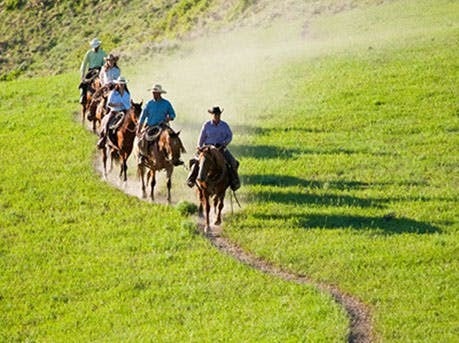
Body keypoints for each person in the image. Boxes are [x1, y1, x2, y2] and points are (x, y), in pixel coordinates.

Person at [186, 106, 240, 191]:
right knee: (195, 161)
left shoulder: (224, 125)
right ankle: (191, 179)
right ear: (212, 115)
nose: (216, 116)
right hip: (207, 148)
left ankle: (234, 181)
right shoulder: (206, 125)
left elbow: (229, 136)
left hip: (221, 148)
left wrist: (224, 143)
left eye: (218, 114)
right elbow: (202, 137)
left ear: (220, 115)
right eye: (215, 114)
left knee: (233, 162)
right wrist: (199, 146)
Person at [136, 84, 176, 159]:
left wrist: (169, 118)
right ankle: (143, 157)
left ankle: (175, 157)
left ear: (160, 93)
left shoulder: (166, 103)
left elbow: (173, 114)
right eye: (153, 92)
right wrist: (139, 130)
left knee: (174, 138)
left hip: (163, 126)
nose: (154, 94)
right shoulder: (148, 104)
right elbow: (142, 118)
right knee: (141, 141)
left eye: (155, 92)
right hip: (151, 126)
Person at [97, 76, 131, 149]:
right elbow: (109, 104)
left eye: (123, 84)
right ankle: (103, 138)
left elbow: (128, 104)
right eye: (120, 84)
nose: (122, 85)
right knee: (106, 124)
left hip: (124, 112)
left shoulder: (127, 94)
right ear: (117, 84)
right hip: (114, 112)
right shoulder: (113, 93)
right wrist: (117, 104)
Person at [79, 38, 107, 104]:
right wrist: (82, 75)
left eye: (97, 47)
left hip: (100, 70)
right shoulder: (89, 53)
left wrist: (103, 71)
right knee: (83, 83)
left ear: (99, 46)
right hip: (91, 70)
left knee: (106, 82)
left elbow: (105, 64)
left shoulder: (103, 53)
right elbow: (84, 64)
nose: (96, 48)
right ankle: (83, 96)